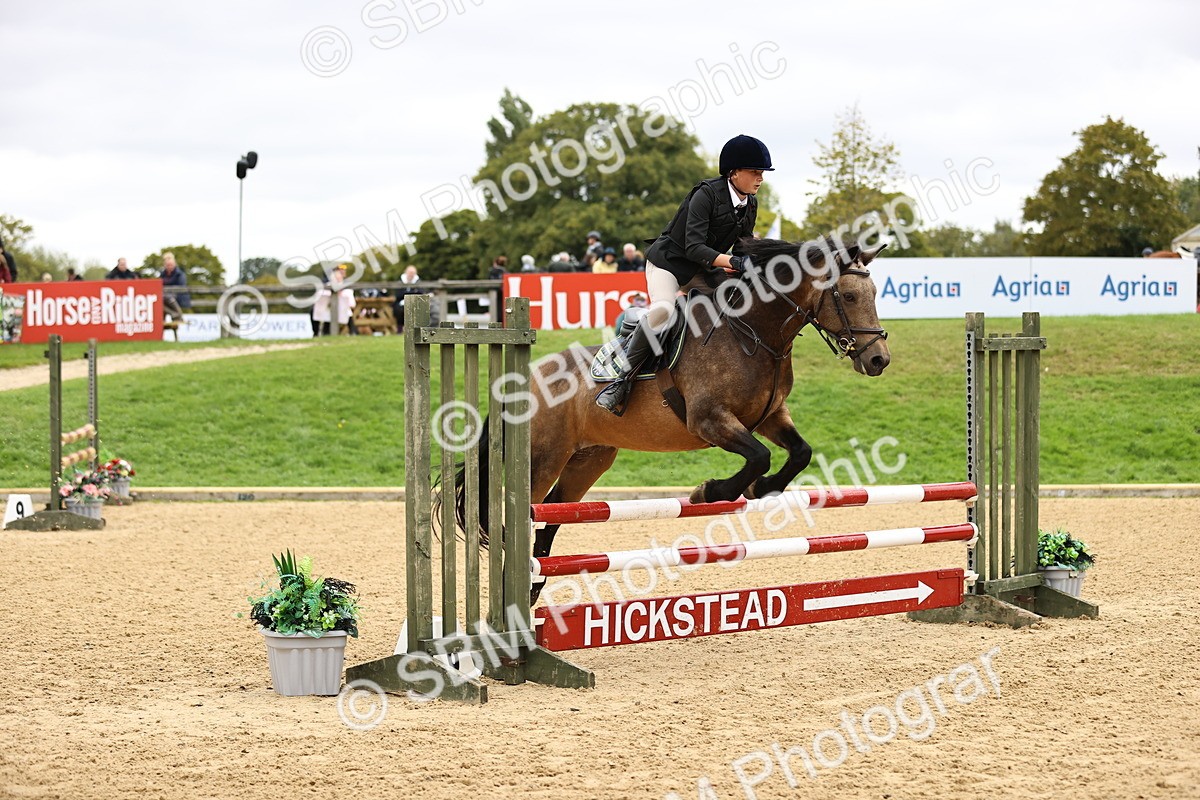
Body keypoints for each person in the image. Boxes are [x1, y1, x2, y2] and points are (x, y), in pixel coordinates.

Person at [596, 134, 770, 414]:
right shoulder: (706, 195)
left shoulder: (749, 204)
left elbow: (743, 245)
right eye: (755, 172)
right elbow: (694, 247)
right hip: (669, 263)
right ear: (734, 172)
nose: (760, 179)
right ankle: (621, 381)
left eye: (762, 173)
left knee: (737, 306)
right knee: (664, 310)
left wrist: (755, 262)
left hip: (702, 268)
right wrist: (735, 262)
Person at [312, 265, 356, 336]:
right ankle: (317, 333)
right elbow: (319, 298)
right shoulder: (326, 286)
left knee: (347, 312)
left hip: (343, 311)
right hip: (327, 310)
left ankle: (353, 332)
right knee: (317, 312)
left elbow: (351, 303)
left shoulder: (347, 287)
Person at [160, 252, 191, 320]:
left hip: (177, 297)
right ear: (164, 265)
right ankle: (175, 314)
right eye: (167, 265)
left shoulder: (180, 274)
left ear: (174, 264)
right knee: (157, 301)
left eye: (170, 265)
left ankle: (177, 314)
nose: (169, 266)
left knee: (167, 297)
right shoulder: (162, 274)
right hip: (165, 298)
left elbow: (181, 288)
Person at [393, 265, 424, 333]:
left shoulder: (418, 282)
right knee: (399, 310)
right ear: (406, 272)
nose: (411, 274)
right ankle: (400, 329)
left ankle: (415, 331)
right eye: (410, 272)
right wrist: (413, 292)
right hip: (401, 303)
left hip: (415, 302)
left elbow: (421, 293)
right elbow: (398, 295)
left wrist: (406, 293)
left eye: (412, 273)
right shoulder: (400, 282)